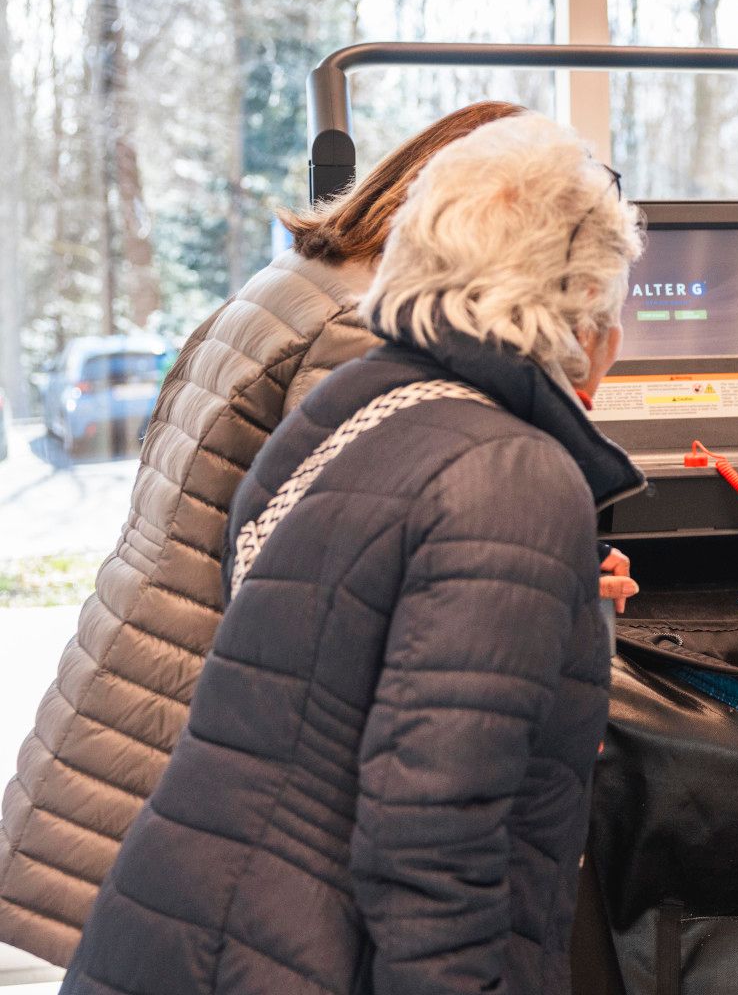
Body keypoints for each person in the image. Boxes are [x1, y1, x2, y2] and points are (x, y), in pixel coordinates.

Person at [55, 113, 642, 995]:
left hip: (189, 928)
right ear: (588, 314)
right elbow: (432, 841)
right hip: (305, 959)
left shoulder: (350, 413)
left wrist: (553, 604)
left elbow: (337, 646)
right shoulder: (515, 474)